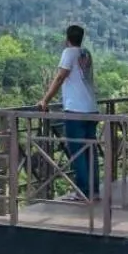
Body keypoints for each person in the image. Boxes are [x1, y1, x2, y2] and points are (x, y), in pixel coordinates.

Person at [38, 24, 98, 199]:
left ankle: (83, 192)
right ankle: (94, 190)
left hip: (75, 110)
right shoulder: (86, 53)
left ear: (67, 38)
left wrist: (45, 100)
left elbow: (60, 78)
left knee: (77, 152)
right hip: (91, 108)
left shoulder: (69, 53)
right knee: (90, 151)